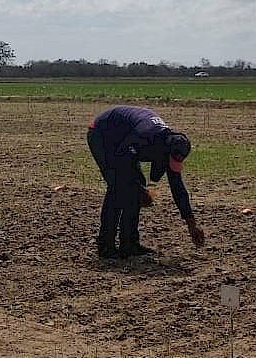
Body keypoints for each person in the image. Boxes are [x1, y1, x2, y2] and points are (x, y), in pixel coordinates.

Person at [87, 105, 205, 258]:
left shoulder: (168, 147)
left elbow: (178, 188)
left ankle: (129, 244)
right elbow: (121, 158)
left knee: (132, 187)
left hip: (123, 140)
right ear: (165, 153)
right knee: (118, 188)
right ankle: (105, 245)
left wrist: (191, 224)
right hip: (102, 134)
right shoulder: (144, 136)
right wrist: (139, 189)